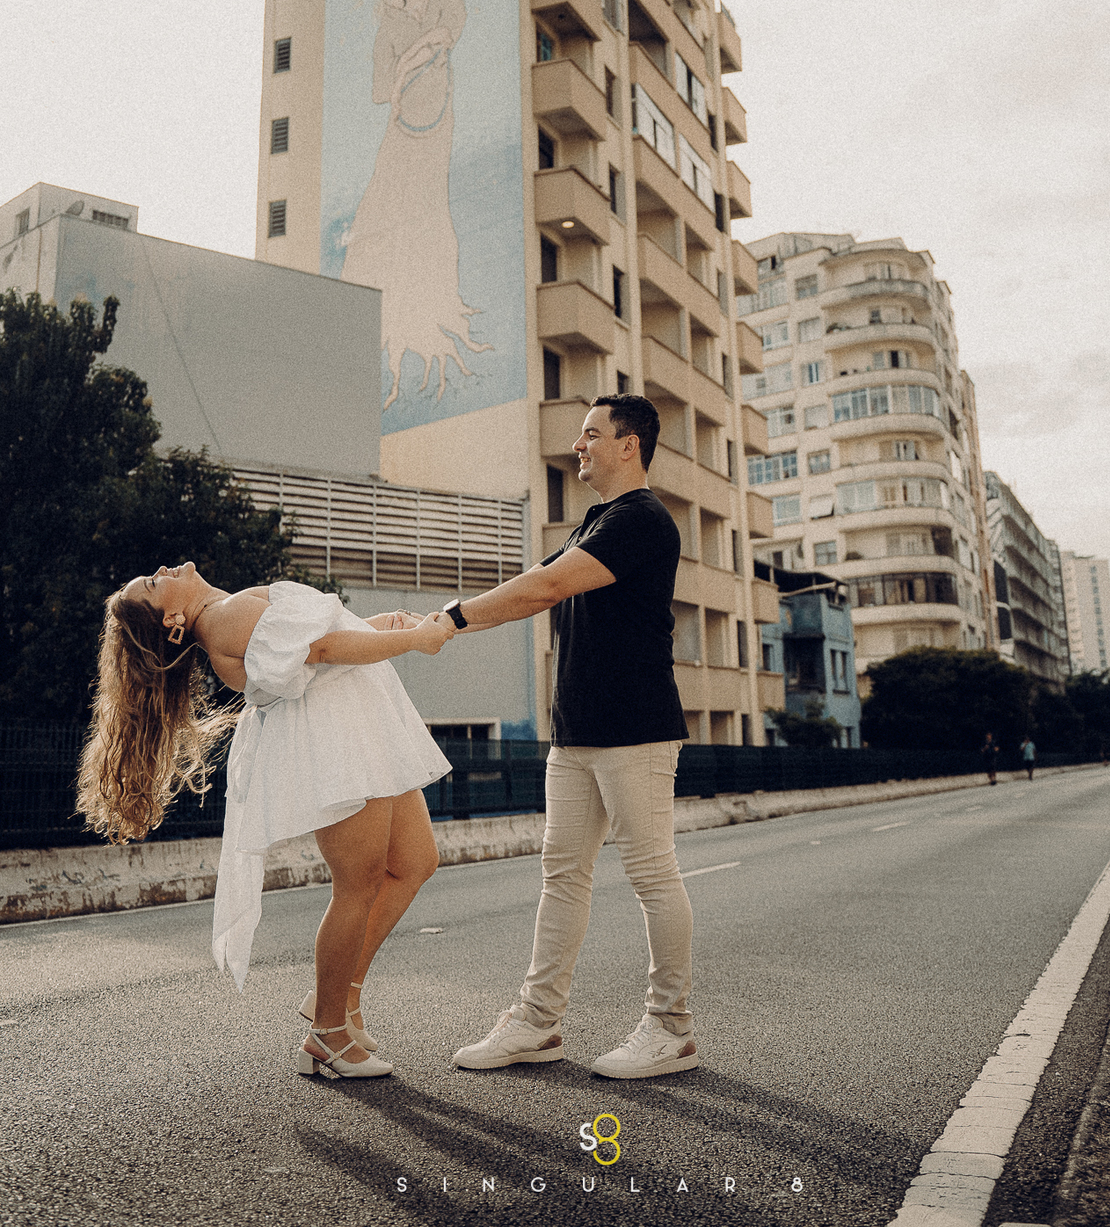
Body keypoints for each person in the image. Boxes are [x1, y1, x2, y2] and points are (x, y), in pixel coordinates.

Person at [76, 565, 457, 1080]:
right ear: (172, 620)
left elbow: (317, 646)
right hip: (341, 738)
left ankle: (340, 996)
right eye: (151, 582)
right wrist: (414, 640)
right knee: (359, 884)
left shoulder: (229, 609)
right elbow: (319, 653)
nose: (161, 570)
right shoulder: (226, 617)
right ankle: (326, 1034)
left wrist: (378, 625)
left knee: (415, 862)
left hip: (363, 724)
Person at [434, 394, 698, 1081]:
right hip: (576, 732)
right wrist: (432, 618)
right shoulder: (596, 521)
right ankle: (537, 1023)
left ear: (628, 445)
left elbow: (543, 589)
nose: (577, 446)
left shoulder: (640, 520)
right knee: (562, 875)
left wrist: (450, 620)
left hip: (635, 730)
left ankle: (670, 1028)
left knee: (650, 875)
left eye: (590, 435)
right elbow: (530, 583)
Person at [340, 0, 491, 405]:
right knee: (386, 199)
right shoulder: (386, 2)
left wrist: (425, 51)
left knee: (427, 202)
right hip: (405, 116)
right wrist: (401, 72)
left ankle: (427, 311)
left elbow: (452, 28)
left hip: (437, 110)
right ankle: (377, 316)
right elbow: (382, 78)